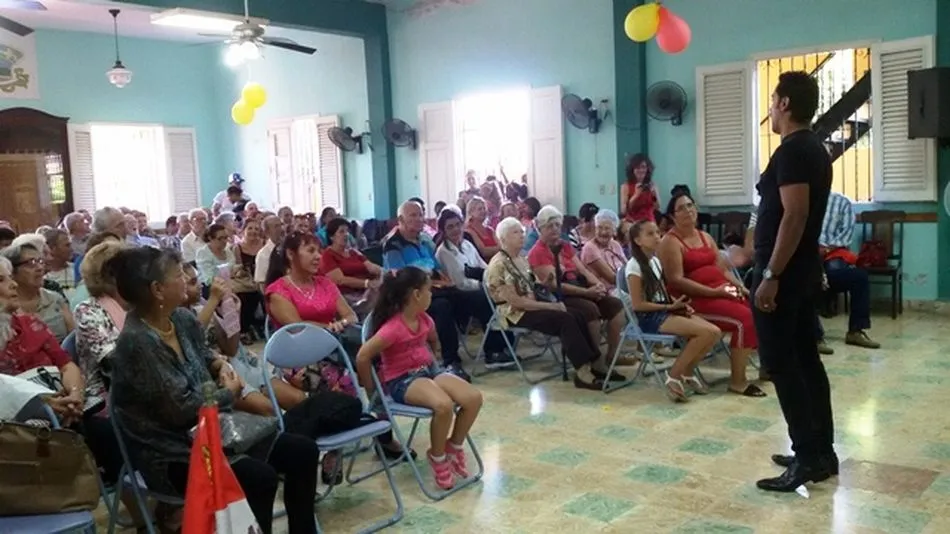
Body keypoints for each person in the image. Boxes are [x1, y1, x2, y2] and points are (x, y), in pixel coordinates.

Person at [107, 246, 319, 533]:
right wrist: (229, 392)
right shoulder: (137, 343)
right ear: (158, 289)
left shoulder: (180, 319)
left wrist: (219, 366)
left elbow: (205, 355)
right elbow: (182, 410)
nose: (186, 279)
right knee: (259, 478)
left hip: (214, 432)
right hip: (171, 452)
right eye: (178, 274)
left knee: (302, 451)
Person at [750, 71, 837, 493]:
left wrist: (771, 275)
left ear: (784, 104)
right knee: (806, 361)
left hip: (784, 275)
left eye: (772, 99)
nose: (769, 107)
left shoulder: (794, 151)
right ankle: (821, 452)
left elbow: (796, 215)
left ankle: (807, 456)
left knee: (783, 365)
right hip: (799, 271)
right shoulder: (813, 149)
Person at [356, 267, 483, 491]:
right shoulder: (393, 328)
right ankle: (438, 456)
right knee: (443, 405)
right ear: (416, 295)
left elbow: (434, 340)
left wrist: (433, 356)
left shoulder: (425, 320)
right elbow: (363, 356)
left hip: (427, 373)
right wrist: (372, 391)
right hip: (402, 381)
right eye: (428, 290)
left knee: (473, 398)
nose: (431, 294)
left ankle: (453, 446)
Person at [659, 192, 764, 397]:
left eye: (690, 205)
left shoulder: (705, 237)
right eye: (681, 208)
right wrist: (714, 292)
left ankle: (765, 367)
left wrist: (741, 287)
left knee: (756, 310)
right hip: (694, 300)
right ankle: (738, 381)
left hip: (719, 292)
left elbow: (723, 270)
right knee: (745, 320)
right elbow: (676, 280)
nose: (688, 210)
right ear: (672, 216)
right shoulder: (670, 242)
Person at [624, 220, 721, 402]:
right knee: (702, 333)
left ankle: (687, 372)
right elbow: (638, 305)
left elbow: (662, 294)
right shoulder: (634, 266)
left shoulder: (655, 261)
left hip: (664, 310)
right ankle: (674, 376)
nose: (657, 238)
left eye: (658, 233)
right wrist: (669, 307)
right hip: (649, 317)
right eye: (650, 234)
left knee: (714, 332)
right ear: (638, 240)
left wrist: (679, 304)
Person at [528, 205, 630, 376]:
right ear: (540, 229)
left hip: (580, 286)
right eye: (550, 226)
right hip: (560, 295)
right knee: (591, 310)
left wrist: (597, 285)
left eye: (557, 225)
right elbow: (555, 285)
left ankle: (611, 355)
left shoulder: (565, 246)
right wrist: (586, 293)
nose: (555, 229)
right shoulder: (537, 252)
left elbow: (582, 269)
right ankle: (594, 362)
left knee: (615, 305)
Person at [382, 201, 476, 381]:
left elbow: (438, 269)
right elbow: (402, 280)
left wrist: (444, 281)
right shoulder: (393, 245)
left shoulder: (425, 241)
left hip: (434, 290)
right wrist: (434, 283)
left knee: (475, 297)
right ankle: (450, 361)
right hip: (410, 298)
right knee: (443, 306)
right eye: (413, 215)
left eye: (420, 214)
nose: (419, 219)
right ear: (401, 219)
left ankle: (495, 348)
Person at [818, 191, 879, 349]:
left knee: (858, 277)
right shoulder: (798, 198)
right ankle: (815, 337)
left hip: (832, 253)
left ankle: (855, 331)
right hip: (804, 255)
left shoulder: (841, 202)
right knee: (805, 277)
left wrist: (825, 250)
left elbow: (845, 236)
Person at [74, 240, 128, 405]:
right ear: (112, 275)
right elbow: (115, 363)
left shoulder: (135, 302)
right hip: (105, 396)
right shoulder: (87, 311)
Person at [1, 243, 75, 342]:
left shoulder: (55, 298)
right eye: (31, 263)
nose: (40, 268)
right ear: (12, 271)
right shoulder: (6, 307)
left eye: (40, 261)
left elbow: (74, 338)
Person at [320, 217, 383, 316]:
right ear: (332, 237)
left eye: (347, 231)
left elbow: (372, 267)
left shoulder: (353, 252)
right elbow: (340, 280)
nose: (346, 234)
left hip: (366, 291)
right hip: (346, 297)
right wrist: (367, 283)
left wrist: (384, 273)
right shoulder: (327, 255)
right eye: (341, 232)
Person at [581, 209, 628, 293]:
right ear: (595, 229)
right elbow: (612, 279)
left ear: (614, 231)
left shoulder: (615, 245)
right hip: (606, 291)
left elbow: (627, 267)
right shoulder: (590, 248)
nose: (603, 232)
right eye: (599, 228)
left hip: (623, 287)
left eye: (607, 228)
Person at [620, 154, 660, 224]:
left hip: (649, 222)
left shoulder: (652, 185)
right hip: (633, 223)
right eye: (637, 168)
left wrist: (654, 195)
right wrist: (636, 195)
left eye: (644, 167)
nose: (641, 170)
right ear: (632, 169)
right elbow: (624, 211)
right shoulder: (625, 186)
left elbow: (658, 207)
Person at [196, 223, 236, 287]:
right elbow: (208, 280)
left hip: (229, 285)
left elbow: (235, 270)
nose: (224, 241)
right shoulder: (203, 253)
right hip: (210, 288)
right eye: (220, 238)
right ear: (210, 238)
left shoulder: (228, 251)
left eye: (226, 238)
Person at [43, 228, 77, 298]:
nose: (71, 249)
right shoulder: (41, 276)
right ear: (52, 249)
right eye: (67, 245)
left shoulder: (78, 270)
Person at [464, 197, 500, 261]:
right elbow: (483, 251)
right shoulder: (468, 230)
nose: (483, 211)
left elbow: (501, 247)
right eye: (480, 209)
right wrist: (498, 249)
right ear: (471, 212)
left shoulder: (490, 230)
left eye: (484, 208)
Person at [256, 215, 284, 291]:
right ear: (267, 232)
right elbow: (262, 284)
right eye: (276, 226)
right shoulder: (263, 254)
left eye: (281, 225)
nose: (281, 229)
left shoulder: (287, 248)